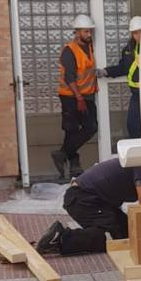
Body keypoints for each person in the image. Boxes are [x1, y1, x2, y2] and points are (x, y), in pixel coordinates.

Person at [36, 156, 141, 256]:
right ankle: (61, 238)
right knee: (111, 239)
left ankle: (62, 238)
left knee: (128, 233)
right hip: (82, 199)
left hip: (94, 200)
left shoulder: (140, 163)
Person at [52, 14, 98, 181]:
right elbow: (69, 78)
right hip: (71, 97)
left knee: (91, 128)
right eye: (86, 31)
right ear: (77, 32)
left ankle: (62, 154)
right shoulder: (69, 51)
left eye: (90, 31)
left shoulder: (91, 46)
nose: (89, 34)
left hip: (88, 95)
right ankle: (74, 166)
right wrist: (79, 98)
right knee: (71, 130)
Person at [101, 16, 141, 138]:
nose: (139, 35)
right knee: (133, 126)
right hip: (136, 94)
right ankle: (139, 153)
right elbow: (123, 68)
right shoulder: (129, 49)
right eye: (135, 33)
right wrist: (105, 72)